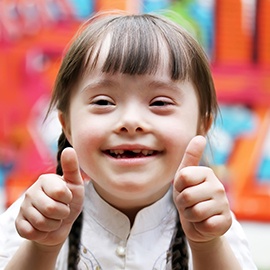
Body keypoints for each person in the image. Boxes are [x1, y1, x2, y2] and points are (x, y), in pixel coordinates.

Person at [0, 11, 257, 270]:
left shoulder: (217, 225)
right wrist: (41, 247)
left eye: (159, 102)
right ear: (66, 125)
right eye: (103, 101)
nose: (131, 121)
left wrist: (208, 245)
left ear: (202, 125)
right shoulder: (33, 216)